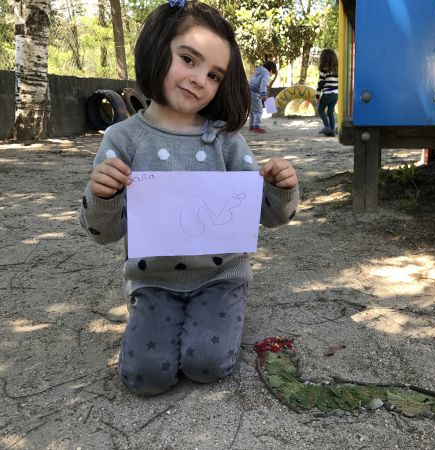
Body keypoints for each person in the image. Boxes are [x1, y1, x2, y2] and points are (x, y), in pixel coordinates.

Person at [79, 0, 299, 396]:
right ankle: (176, 320)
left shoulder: (227, 141)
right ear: (158, 47)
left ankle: (226, 311)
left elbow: (266, 217)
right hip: (153, 281)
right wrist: (103, 194)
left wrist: (281, 188)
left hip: (220, 276)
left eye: (215, 74)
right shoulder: (122, 139)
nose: (200, 79)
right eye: (188, 59)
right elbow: (102, 233)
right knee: (145, 377)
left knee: (206, 364)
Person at [248, 61, 277, 133]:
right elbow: (263, 84)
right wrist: (263, 94)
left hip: (248, 91)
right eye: (272, 73)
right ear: (271, 70)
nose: (271, 75)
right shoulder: (266, 73)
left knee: (252, 110)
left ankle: (252, 126)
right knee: (259, 110)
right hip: (254, 92)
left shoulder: (258, 71)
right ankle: (256, 127)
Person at [315, 49, 338, 137]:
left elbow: (320, 83)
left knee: (320, 110)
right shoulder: (336, 70)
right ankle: (332, 131)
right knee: (330, 112)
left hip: (327, 93)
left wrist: (317, 96)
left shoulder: (324, 69)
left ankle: (327, 127)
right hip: (336, 94)